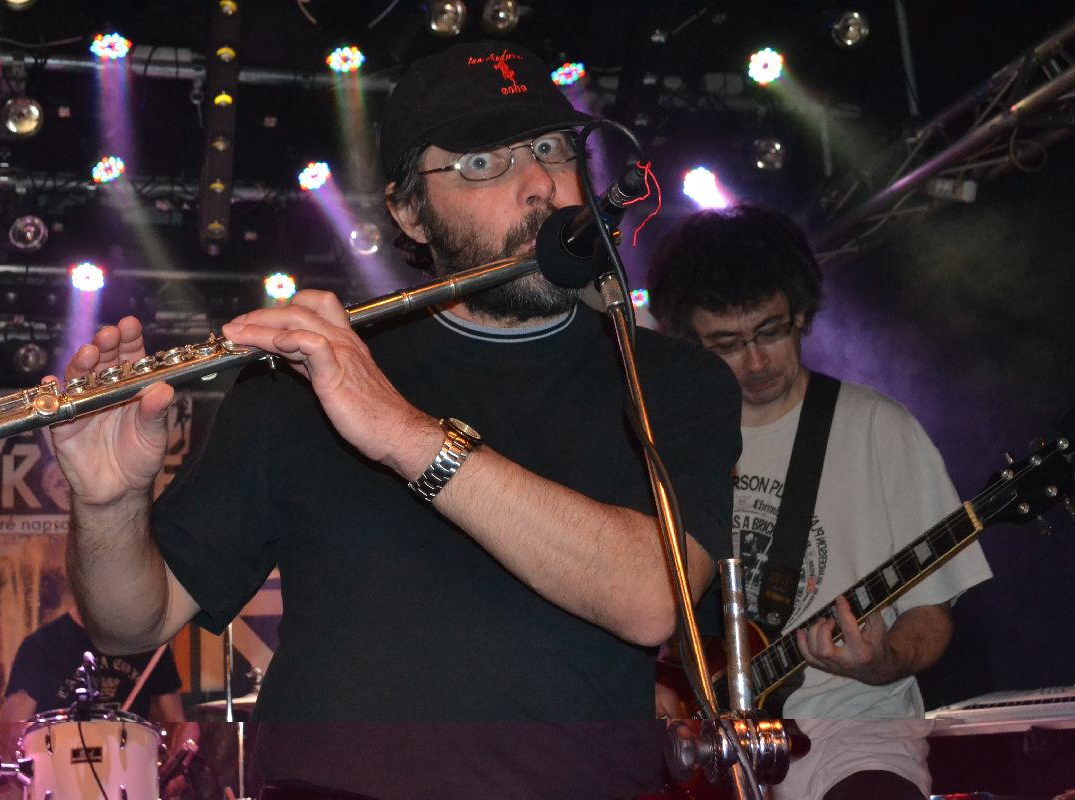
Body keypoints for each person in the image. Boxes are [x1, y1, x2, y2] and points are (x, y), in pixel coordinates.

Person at [49, 41, 742, 800]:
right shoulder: (302, 380)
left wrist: (403, 433)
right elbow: (131, 623)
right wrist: (108, 505)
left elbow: (655, 598)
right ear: (410, 213)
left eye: (551, 148)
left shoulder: (671, 379)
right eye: (483, 162)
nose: (540, 184)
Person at [646, 204, 994, 800]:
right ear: (687, 341)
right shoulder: (665, 446)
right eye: (727, 343)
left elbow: (931, 613)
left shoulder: (878, 429)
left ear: (802, 313)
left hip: (853, 730)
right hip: (699, 743)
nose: (756, 361)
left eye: (771, 331)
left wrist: (882, 660)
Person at [0, 600, 186, 724]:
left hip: (129, 762)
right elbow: (13, 731)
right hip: (62, 762)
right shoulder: (41, 646)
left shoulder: (148, 643)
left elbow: (179, 726)